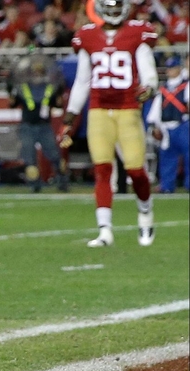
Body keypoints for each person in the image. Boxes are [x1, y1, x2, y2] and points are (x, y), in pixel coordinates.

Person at [59, 0, 158, 247]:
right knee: (102, 168)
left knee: (135, 169)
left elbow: (148, 70)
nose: (114, 12)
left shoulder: (137, 32)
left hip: (127, 110)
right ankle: (105, 230)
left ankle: (145, 212)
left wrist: (149, 87)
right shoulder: (88, 35)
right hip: (99, 110)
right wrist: (70, 115)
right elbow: (82, 81)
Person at [9, 55, 68, 192]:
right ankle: (34, 183)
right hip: (27, 125)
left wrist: (59, 95)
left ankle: (62, 180)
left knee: (54, 155)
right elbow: (12, 103)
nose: (37, 74)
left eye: (39, 71)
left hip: (44, 125)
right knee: (29, 157)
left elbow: (58, 105)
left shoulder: (49, 88)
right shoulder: (23, 87)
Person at [146, 55, 189, 193]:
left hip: (182, 125)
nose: (170, 71)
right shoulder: (163, 89)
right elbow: (156, 109)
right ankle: (167, 185)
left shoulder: (186, 85)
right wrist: (155, 126)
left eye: (173, 68)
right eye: (168, 69)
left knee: (188, 155)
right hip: (166, 127)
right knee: (167, 158)